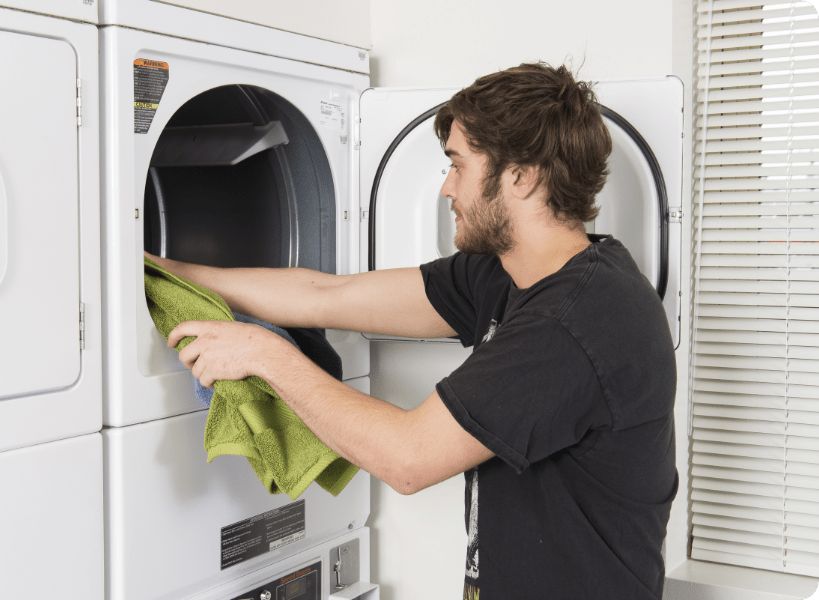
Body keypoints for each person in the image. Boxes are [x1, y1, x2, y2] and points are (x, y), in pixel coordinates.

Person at [146, 61, 678, 599]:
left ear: (522, 175)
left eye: (458, 165)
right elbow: (326, 296)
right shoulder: (510, 274)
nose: (448, 188)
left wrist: (266, 355)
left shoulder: (572, 322)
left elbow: (407, 458)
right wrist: (154, 268)